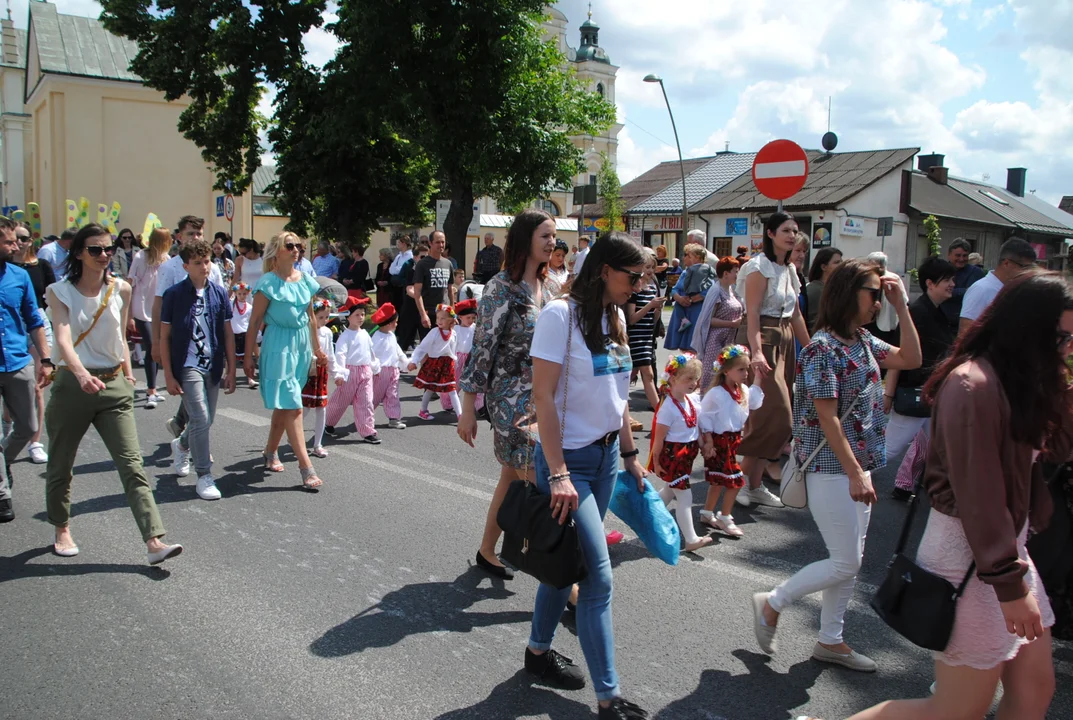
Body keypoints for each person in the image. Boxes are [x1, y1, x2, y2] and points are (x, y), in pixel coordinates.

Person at [846, 271, 1073, 720]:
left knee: (1033, 692)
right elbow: (980, 495)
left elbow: (1059, 451)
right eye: (1062, 337)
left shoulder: (1023, 380)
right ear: (1028, 328)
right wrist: (1010, 584)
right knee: (955, 710)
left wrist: (1059, 388)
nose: (1066, 347)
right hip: (971, 565)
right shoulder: (973, 385)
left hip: (1006, 557)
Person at [751, 259, 921, 672]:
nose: (877, 302)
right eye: (873, 293)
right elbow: (827, 418)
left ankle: (831, 640)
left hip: (854, 466)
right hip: (831, 468)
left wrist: (902, 307)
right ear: (848, 293)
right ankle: (773, 602)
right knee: (847, 560)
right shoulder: (822, 349)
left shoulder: (862, 340)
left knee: (850, 556)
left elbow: (912, 359)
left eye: (881, 294)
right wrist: (854, 472)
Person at [526, 230, 648, 720]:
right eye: (632, 276)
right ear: (604, 271)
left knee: (563, 567)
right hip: (567, 463)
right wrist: (557, 473)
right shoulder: (560, 316)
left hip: (605, 460)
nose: (638, 286)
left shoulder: (614, 315)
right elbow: (543, 399)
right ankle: (609, 698)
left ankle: (536, 654)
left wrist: (631, 453)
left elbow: (618, 395)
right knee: (596, 579)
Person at [44, 223, 182, 564]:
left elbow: (120, 336)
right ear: (78, 253)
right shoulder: (59, 291)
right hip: (72, 385)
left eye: (108, 249)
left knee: (132, 465)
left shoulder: (120, 289)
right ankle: (61, 527)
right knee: (62, 463)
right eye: (95, 250)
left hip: (113, 387)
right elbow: (62, 339)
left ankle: (154, 541)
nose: (104, 255)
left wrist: (126, 373)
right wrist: (79, 373)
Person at [457, 208, 560, 580]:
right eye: (545, 236)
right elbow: (481, 349)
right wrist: (468, 408)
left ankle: (488, 550)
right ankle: (562, 579)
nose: (552, 243)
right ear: (525, 240)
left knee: (512, 477)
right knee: (543, 482)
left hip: (543, 397)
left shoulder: (551, 287)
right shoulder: (500, 288)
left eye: (553, 236)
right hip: (509, 399)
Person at [734, 212, 811, 509]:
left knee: (775, 419)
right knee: (775, 414)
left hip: (786, 340)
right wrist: (755, 352)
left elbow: (796, 315)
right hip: (764, 339)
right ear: (770, 233)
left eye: (795, 231)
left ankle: (752, 484)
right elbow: (752, 313)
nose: (792, 235)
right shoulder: (758, 266)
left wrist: (815, 349)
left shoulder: (789, 269)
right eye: (785, 230)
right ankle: (739, 480)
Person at [243, 231, 326, 491]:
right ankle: (306, 467)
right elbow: (254, 321)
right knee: (294, 406)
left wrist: (318, 349)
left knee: (284, 405)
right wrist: (247, 356)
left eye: (298, 246)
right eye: (289, 246)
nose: (296, 250)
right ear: (277, 251)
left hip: (300, 347)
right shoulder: (267, 283)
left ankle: (269, 452)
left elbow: (311, 317)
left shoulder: (306, 281)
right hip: (278, 345)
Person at [159, 238, 237, 501]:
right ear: (185, 266)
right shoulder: (174, 296)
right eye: (197, 263)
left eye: (207, 261)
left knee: (206, 420)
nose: (204, 267)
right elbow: (164, 336)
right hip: (187, 365)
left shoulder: (218, 293)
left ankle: (181, 444)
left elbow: (227, 333)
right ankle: (204, 474)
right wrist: (169, 375)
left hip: (212, 365)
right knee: (201, 418)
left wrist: (231, 368)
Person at [152, 216, 225, 440]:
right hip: (178, 339)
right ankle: (192, 443)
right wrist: (156, 341)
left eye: (199, 233)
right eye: (190, 233)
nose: (195, 237)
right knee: (195, 395)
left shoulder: (211, 266)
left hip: (206, 342)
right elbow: (159, 305)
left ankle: (182, 428)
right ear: (179, 237)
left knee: (199, 396)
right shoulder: (170, 267)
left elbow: (220, 305)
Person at [882, 256, 957, 472]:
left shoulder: (937, 311)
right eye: (947, 280)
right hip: (913, 392)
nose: (953, 284)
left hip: (929, 393)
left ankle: (910, 487)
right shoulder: (917, 312)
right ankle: (848, 476)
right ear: (930, 283)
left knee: (937, 447)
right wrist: (889, 394)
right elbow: (898, 354)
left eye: (953, 279)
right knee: (888, 450)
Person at [0, 218, 52, 522]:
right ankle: (3, 495)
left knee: (28, 426)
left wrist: (45, 360)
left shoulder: (19, 277)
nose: (15, 246)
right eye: (8, 242)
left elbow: (34, 319)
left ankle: (3, 461)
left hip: (18, 361)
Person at [698, 345, 764, 538]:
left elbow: (754, 403)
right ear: (727, 371)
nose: (746, 374)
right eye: (741, 369)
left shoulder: (742, 389)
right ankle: (725, 516)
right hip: (720, 442)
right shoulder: (717, 393)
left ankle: (707, 512)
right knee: (735, 480)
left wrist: (758, 378)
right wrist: (708, 441)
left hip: (733, 440)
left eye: (747, 369)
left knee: (719, 481)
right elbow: (705, 417)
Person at [649, 354, 711, 553]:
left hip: (687, 456)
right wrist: (657, 462)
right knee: (684, 497)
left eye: (695, 379)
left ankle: (646, 515)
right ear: (673, 379)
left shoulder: (691, 402)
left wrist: (703, 445)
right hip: (673, 456)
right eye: (688, 379)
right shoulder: (667, 408)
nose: (693, 383)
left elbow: (695, 429)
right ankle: (691, 539)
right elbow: (658, 440)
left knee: (669, 491)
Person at [8, 222, 55, 465]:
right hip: (11, 330)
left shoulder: (40, 266)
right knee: (12, 393)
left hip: (37, 324)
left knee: (36, 386)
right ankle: (9, 425)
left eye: (24, 238)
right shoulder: (7, 268)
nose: (18, 243)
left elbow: (51, 296)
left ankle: (34, 441)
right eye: (13, 239)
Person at [326, 297, 381, 444]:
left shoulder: (365, 334)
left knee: (366, 401)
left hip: (365, 371)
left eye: (362, 314)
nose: (361, 317)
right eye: (357, 314)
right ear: (348, 316)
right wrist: (340, 373)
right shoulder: (345, 336)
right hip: (349, 373)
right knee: (340, 401)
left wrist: (375, 367)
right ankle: (328, 422)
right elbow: (340, 355)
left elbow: (371, 352)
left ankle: (368, 431)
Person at [128, 227, 172, 409]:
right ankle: (151, 390)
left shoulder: (167, 260)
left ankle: (153, 387)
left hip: (159, 310)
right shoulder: (140, 257)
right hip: (141, 309)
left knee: (159, 348)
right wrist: (129, 315)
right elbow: (130, 284)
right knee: (152, 347)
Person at [959, 237, 1037, 335]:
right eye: (1024, 267)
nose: (1027, 273)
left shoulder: (1014, 290)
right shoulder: (981, 290)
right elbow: (965, 335)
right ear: (1006, 263)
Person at [625, 248, 665, 428]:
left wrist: (657, 310)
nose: (649, 271)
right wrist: (650, 306)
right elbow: (631, 319)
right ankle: (662, 414)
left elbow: (654, 319)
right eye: (646, 267)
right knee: (645, 375)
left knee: (633, 376)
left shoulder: (651, 288)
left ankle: (622, 410)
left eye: (652, 267)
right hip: (636, 338)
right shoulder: (635, 289)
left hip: (647, 338)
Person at [691, 256, 742, 391]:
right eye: (735, 271)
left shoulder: (731, 290)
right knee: (712, 374)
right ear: (726, 273)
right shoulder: (716, 290)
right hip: (716, 340)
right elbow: (708, 320)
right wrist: (732, 324)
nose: (737, 274)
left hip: (729, 339)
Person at [408, 304, 462, 420]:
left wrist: (455, 363)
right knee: (430, 388)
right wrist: (414, 361)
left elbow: (454, 350)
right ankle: (423, 410)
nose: (439, 321)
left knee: (452, 389)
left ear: (451, 320)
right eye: (438, 318)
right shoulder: (434, 332)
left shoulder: (454, 333)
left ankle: (460, 415)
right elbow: (422, 347)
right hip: (435, 363)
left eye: (443, 318)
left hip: (448, 364)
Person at [664, 242, 714, 351]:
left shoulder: (706, 271)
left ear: (697, 258)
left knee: (693, 347)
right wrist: (679, 298)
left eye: (687, 255)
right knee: (683, 348)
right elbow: (675, 289)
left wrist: (690, 300)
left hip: (695, 312)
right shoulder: (685, 272)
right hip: (681, 312)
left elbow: (708, 291)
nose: (684, 257)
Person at [303, 298, 336, 457]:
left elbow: (330, 354)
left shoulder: (328, 332)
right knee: (305, 407)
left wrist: (336, 372)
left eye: (326, 317)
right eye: (320, 317)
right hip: (308, 372)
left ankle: (317, 444)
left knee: (322, 408)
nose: (324, 320)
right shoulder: (306, 330)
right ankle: (294, 434)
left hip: (322, 373)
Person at [369, 302, 408, 430]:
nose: (396, 324)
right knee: (375, 396)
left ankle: (394, 418)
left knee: (393, 394)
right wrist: (374, 368)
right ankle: (366, 416)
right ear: (389, 323)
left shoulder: (391, 335)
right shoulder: (377, 337)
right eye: (395, 322)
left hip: (393, 370)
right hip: (381, 371)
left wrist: (404, 361)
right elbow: (372, 354)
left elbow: (397, 350)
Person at [413, 231, 456, 338]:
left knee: (444, 346)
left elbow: (450, 290)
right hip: (429, 313)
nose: (441, 245)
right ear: (430, 243)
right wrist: (423, 315)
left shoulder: (448, 263)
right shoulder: (422, 264)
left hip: (445, 312)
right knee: (428, 349)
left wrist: (453, 313)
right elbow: (417, 293)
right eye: (437, 242)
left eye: (443, 242)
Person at [865, 251, 909, 347]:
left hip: (886, 322)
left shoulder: (893, 279)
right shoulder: (866, 278)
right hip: (869, 320)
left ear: (882, 266)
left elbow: (904, 300)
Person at [442, 298, 478, 413]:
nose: (471, 320)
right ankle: (448, 403)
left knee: (474, 383)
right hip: (457, 359)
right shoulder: (455, 329)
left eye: (473, 318)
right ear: (460, 317)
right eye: (468, 318)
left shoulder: (475, 328)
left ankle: (479, 406)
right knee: (455, 382)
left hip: (471, 358)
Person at [940, 238, 985, 324]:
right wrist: (965, 290)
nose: (961, 259)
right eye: (958, 255)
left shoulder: (976, 272)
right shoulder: (940, 270)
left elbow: (974, 296)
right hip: (941, 322)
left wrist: (950, 292)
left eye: (965, 256)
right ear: (949, 255)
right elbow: (938, 292)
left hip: (965, 323)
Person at [395, 241, 428, 351]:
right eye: (422, 256)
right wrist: (418, 296)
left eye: (427, 256)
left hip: (424, 305)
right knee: (406, 333)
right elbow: (407, 285)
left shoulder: (428, 267)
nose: (425, 259)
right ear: (415, 257)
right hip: (410, 304)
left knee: (425, 334)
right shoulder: (409, 266)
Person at [805, 248, 842, 331]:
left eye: (841, 262)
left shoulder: (833, 290)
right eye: (837, 262)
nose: (841, 265)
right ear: (824, 267)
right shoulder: (815, 290)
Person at [230, 282, 257, 388]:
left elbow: (251, 321)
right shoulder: (231, 304)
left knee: (248, 357)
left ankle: (250, 378)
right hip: (233, 334)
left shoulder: (249, 307)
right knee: (230, 358)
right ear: (236, 293)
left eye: (244, 294)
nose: (242, 296)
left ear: (248, 294)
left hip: (245, 334)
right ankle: (229, 375)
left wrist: (256, 333)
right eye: (240, 294)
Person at [388, 236, 414, 311]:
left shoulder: (410, 256)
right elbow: (391, 269)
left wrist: (396, 270)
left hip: (402, 286)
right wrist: (396, 269)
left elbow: (403, 270)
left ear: (404, 244)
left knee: (402, 306)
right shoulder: (399, 256)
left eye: (399, 242)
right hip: (395, 286)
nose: (398, 244)